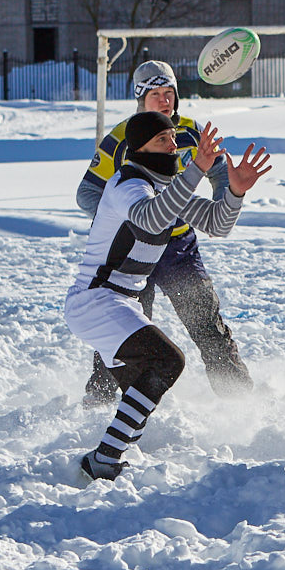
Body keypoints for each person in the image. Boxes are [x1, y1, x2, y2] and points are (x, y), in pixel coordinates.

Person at [65, 111, 271, 481]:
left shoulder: (164, 188)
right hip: (96, 300)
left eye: (174, 138)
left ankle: (110, 453)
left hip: (120, 303)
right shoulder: (128, 183)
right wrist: (195, 172)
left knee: (141, 398)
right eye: (163, 140)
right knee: (169, 361)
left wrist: (236, 191)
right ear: (140, 147)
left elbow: (218, 224)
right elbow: (151, 219)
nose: (174, 146)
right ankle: (102, 460)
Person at [76, 60, 252, 405]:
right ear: (141, 98)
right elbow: (87, 193)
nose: (164, 101)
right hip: (135, 252)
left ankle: (242, 402)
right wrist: (123, 221)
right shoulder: (124, 137)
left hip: (178, 249)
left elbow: (219, 174)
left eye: (169, 93)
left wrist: (225, 196)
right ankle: (100, 403)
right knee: (124, 335)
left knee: (208, 326)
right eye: (155, 94)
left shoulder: (189, 131)